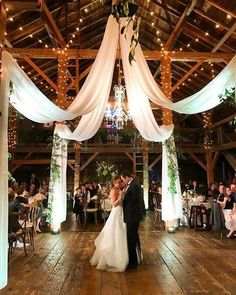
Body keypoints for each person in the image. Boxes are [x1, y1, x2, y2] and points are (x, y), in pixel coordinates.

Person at [90, 176, 128, 272]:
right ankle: (114, 258)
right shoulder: (113, 191)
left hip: (122, 212)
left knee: (123, 233)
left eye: (121, 182)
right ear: (114, 183)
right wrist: (121, 196)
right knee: (115, 233)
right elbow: (114, 204)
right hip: (117, 212)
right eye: (118, 182)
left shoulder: (120, 189)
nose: (120, 183)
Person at [121, 170, 143, 269]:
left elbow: (133, 200)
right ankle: (138, 257)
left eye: (123, 179)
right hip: (132, 215)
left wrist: (123, 196)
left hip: (133, 216)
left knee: (131, 238)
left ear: (126, 177)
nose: (123, 182)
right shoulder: (134, 184)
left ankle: (133, 262)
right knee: (134, 237)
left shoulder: (135, 185)